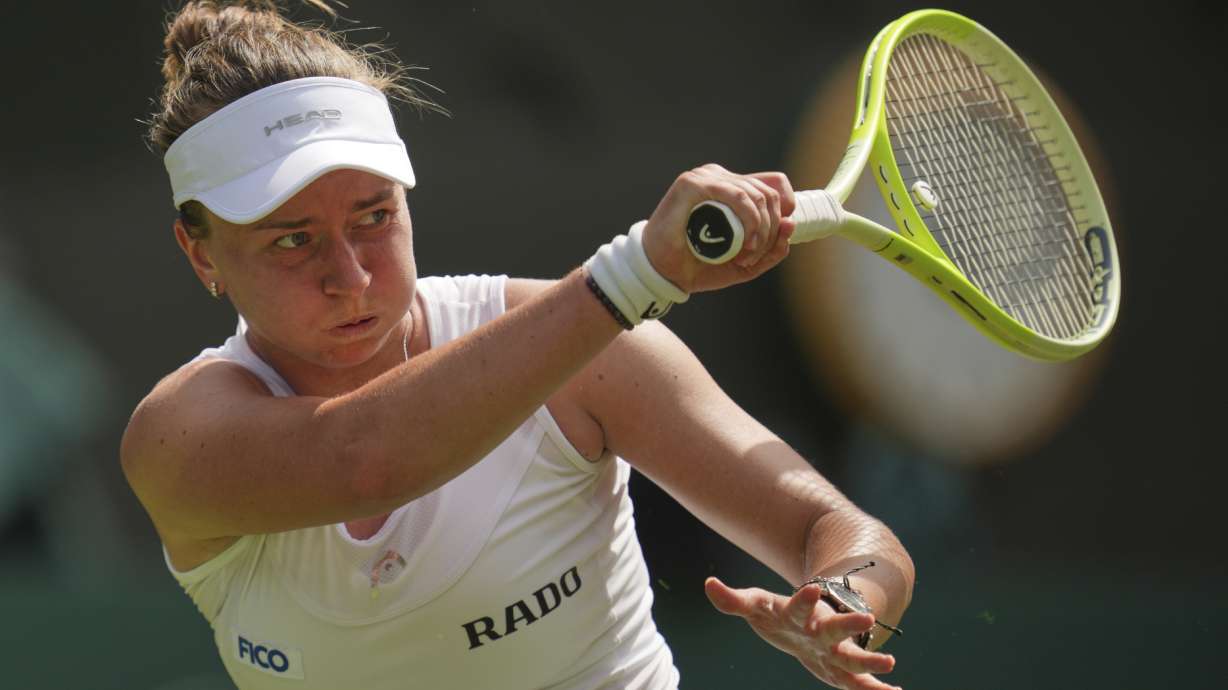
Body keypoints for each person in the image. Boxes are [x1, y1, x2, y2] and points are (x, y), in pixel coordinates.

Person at [121, 2, 914, 689]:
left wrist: (842, 604)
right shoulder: (178, 437)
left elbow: (848, 537)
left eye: (374, 217)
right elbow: (364, 458)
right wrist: (635, 275)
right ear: (202, 256)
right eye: (292, 241)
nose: (352, 276)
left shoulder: (592, 354)